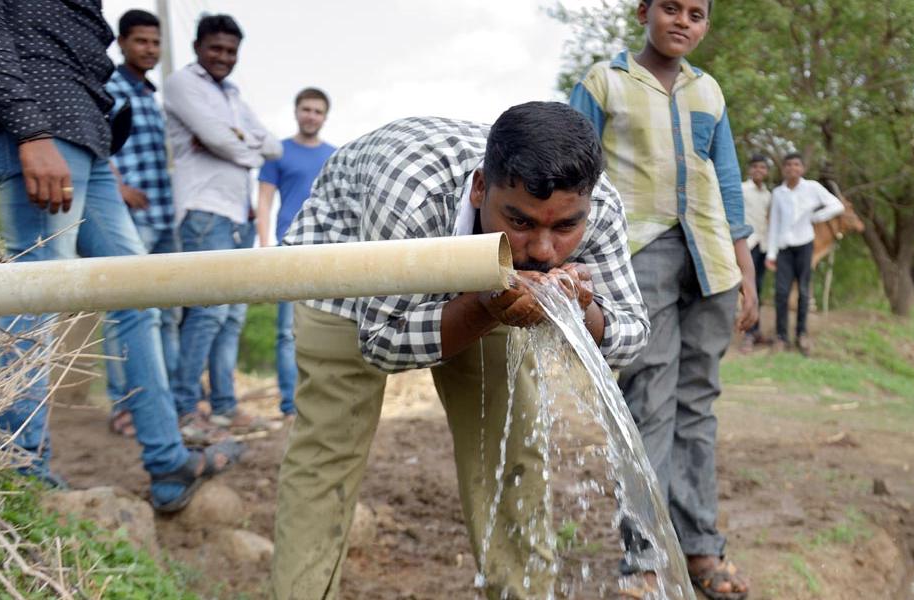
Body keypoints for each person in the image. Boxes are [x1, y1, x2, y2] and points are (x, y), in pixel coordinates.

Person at [270, 103, 649, 600]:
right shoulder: (411, 194)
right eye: (520, 221)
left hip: (485, 279)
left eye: (563, 230)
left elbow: (632, 332)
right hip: (349, 261)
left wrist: (582, 308)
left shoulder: (597, 207)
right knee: (327, 451)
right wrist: (487, 306)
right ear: (478, 189)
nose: (541, 251)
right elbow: (381, 342)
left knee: (512, 447)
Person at [0, 0, 241, 510]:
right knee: (34, 295)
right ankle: (20, 469)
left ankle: (167, 463)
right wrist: (29, 130)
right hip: (44, 128)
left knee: (140, 299)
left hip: (90, 138)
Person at [569, 0, 757, 597]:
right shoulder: (604, 83)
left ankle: (701, 548)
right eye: (670, 8)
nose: (683, 22)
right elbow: (575, 173)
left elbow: (725, 180)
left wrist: (745, 267)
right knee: (650, 402)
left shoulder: (709, 92)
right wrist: (574, 259)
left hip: (711, 261)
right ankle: (644, 562)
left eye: (697, 14)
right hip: (637, 254)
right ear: (643, 12)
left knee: (698, 405)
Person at [164, 14, 281, 439]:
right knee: (206, 314)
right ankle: (185, 409)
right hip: (202, 210)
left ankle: (224, 408)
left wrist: (233, 139)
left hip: (239, 214)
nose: (223, 57)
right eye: (216, 48)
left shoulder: (231, 93)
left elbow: (272, 145)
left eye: (231, 51)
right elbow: (224, 141)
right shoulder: (182, 83)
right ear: (198, 47)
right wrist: (232, 140)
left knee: (231, 317)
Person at [103, 9, 179, 437]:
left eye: (155, 42)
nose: (149, 49)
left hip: (163, 215)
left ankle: (157, 400)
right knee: (127, 308)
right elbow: (101, 141)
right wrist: (118, 189)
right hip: (130, 214)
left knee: (164, 312)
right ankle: (125, 404)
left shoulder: (151, 95)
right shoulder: (110, 86)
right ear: (122, 43)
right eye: (141, 42)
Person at [256, 87, 336, 421]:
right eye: (306, 109)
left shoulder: (335, 154)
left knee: (330, 328)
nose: (311, 116)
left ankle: (325, 399)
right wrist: (264, 246)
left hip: (328, 250)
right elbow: (264, 199)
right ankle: (291, 406)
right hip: (288, 247)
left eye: (317, 111)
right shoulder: (277, 153)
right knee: (287, 332)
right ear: (296, 111)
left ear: (325, 116)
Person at [765, 152, 844, 355]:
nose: (792, 168)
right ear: (784, 169)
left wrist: (816, 216)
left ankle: (802, 333)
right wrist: (771, 254)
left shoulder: (812, 188)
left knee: (803, 291)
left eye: (796, 164)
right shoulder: (778, 193)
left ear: (803, 168)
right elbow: (774, 224)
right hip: (784, 248)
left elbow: (837, 205)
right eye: (788, 165)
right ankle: (781, 336)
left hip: (804, 245)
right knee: (781, 293)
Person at [740, 154, 771, 353]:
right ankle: (747, 334)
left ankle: (755, 330)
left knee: (758, 287)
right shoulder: (742, 190)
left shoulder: (768, 195)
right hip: (746, 245)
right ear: (750, 170)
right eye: (755, 167)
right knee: (747, 288)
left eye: (763, 167)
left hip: (762, 246)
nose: (759, 170)